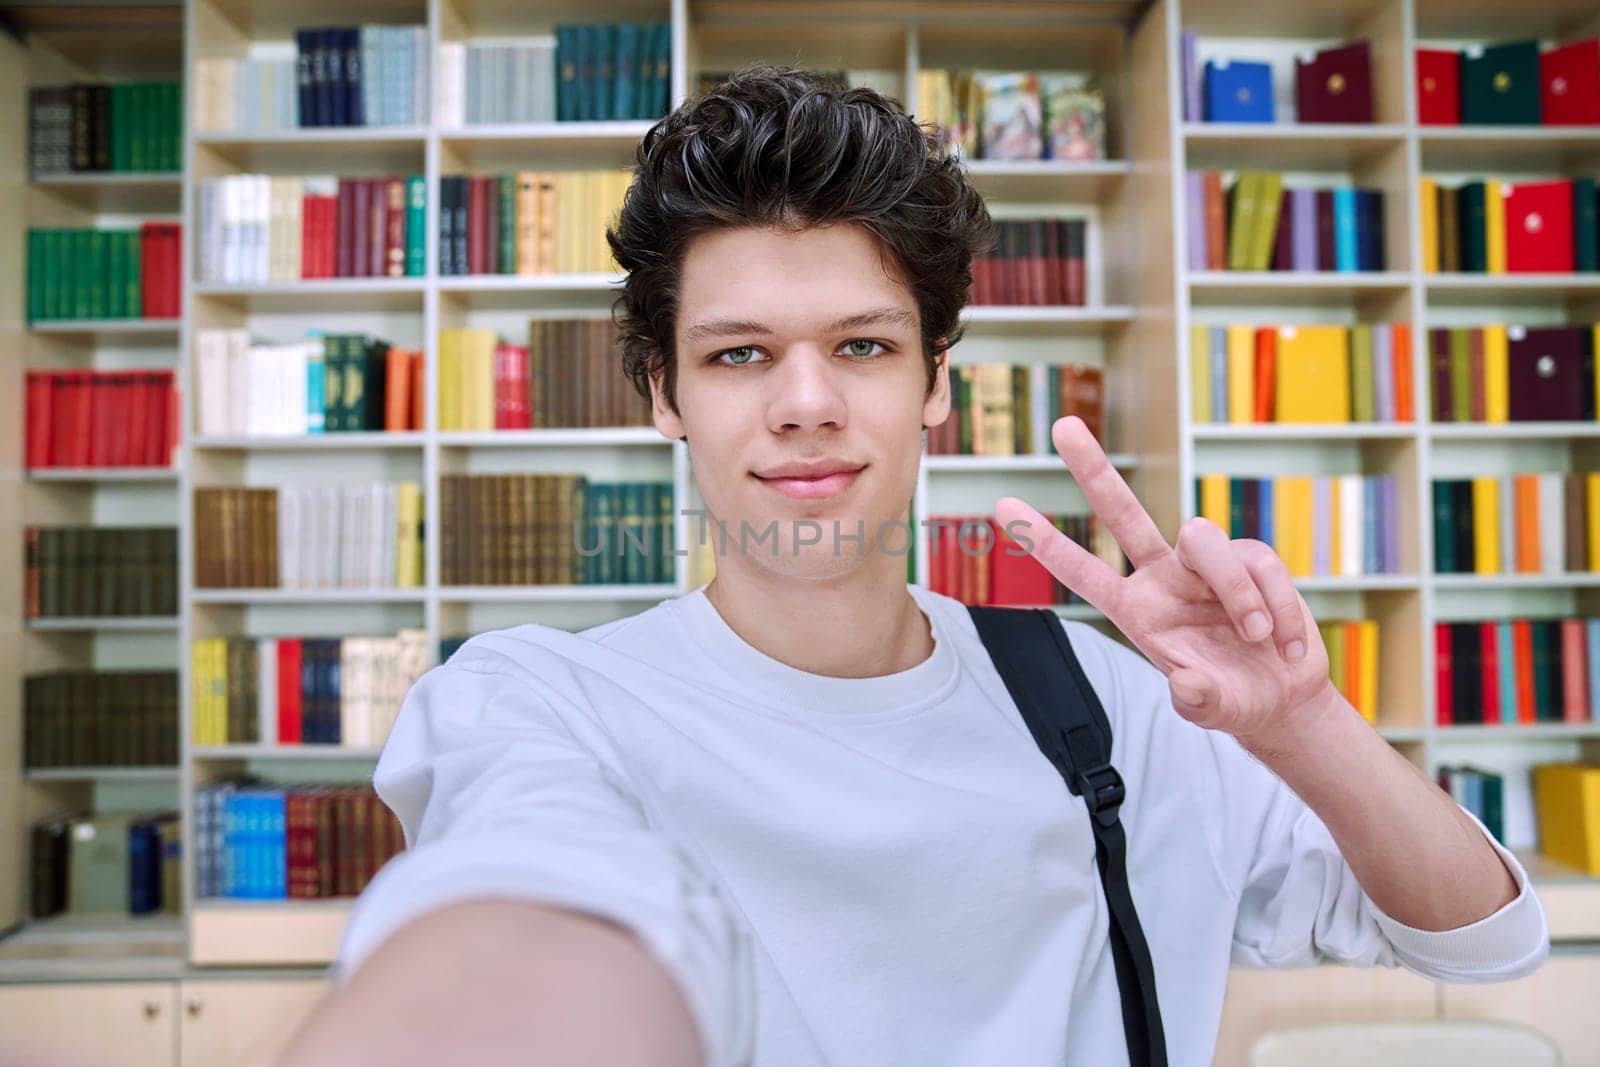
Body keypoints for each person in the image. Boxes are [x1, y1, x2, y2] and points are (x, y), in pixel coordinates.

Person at [276, 66, 1549, 1067]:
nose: (807, 403)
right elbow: (530, 918)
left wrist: (1305, 723)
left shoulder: (1105, 698)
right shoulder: (543, 702)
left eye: (865, 346)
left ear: (938, 381)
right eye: (737, 355)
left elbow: (1481, 937)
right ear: (661, 390)